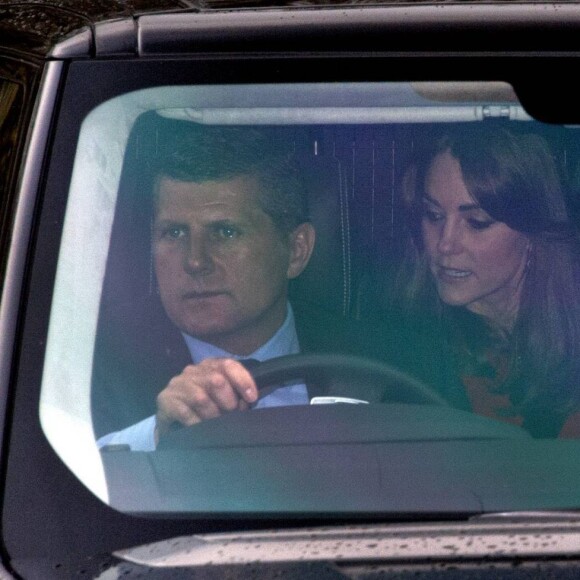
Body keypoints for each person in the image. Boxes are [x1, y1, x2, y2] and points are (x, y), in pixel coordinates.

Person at [92, 123, 399, 450]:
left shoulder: (382, 364)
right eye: (175, 233)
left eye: (225, 233)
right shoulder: (90, 360)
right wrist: (156, 434)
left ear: (296, 251)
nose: (195, 261)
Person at [395, 125, 580, 438]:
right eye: (433, 215)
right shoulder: (407, 341)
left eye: (476, 223)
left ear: (532, 232)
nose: (445, 244)